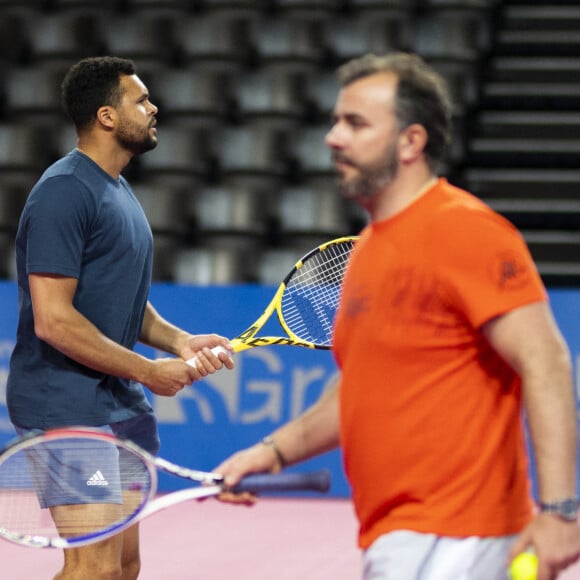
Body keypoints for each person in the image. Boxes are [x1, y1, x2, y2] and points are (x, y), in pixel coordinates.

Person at [214, 52, 580, 580]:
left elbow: (546, 359)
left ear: (411, 141)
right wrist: (273, 451)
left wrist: (560, 510)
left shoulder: (465, 231)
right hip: (402, 536)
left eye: (356, 123)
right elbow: (360, 389)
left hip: (457, 536)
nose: (333, 138)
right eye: (337, 121)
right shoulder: (367, 249)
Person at [6, 56, 234, 580]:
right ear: (107, 116)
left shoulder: (117, 188)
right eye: (142, 100)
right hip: (65, 404)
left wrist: (177, 341)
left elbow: (125, 296)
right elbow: (54, 321)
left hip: (117, 403)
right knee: (92, 568)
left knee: (123, 567)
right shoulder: (64, 192)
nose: (154, 108)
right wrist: (149, 371)